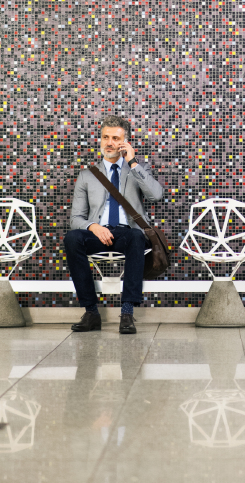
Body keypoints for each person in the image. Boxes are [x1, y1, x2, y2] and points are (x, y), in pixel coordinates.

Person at [64, 115, 163, 334]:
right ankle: (91, 312)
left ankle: (127, 313)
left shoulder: (137, 169)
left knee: (137, 237)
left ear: (125, 142)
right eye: (105, 137)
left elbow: (156, 195)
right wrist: (93, 227)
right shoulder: (87, 176)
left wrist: (133, 162)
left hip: (127, 234)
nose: (109, 142)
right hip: (97, 233)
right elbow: (75, 219)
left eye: (115, 138)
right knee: (72, 239)